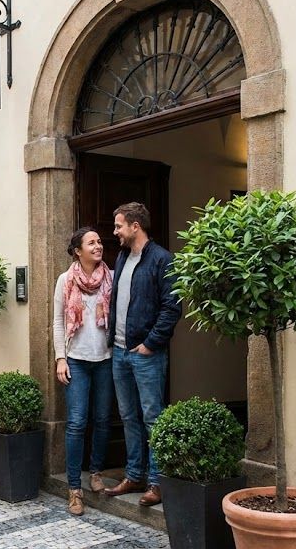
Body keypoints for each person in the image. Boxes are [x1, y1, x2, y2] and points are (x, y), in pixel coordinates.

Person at [103, 202, 181, 507]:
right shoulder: (122, 257)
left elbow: (172, 307)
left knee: (152, 417)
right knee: (128, 417)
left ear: (136, 226)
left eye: (119, 226)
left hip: (145, 353)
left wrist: (151, 343)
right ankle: (134, 475)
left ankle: (156, 482)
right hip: (120, 352)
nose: (115, 232)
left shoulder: (163, 260)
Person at [53, 227, 115, 516]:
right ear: (78, 250)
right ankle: (75, 489)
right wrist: (60, 358)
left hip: (105, 358)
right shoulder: (65, 281)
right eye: (91, 243)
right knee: (77, 423)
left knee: (103, 420)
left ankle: (97, 471)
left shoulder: (112, 278)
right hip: (76, 359)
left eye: (99, 241)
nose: (98, 245)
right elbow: (56, 323)